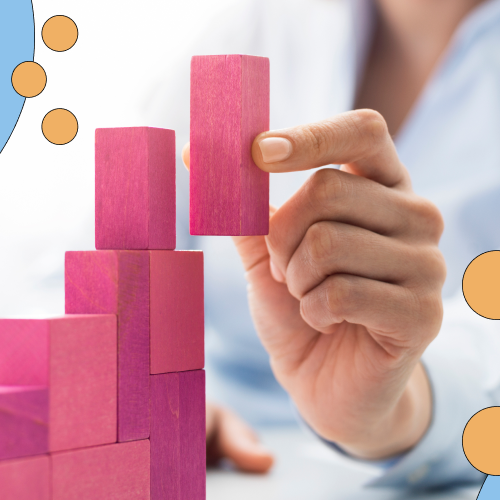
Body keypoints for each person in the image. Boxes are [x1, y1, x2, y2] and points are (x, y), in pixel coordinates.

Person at [145, 0, 500, 488]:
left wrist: (396, 405)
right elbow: (94, 267)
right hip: (204, 460)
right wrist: (149, 387)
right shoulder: (256, 24)